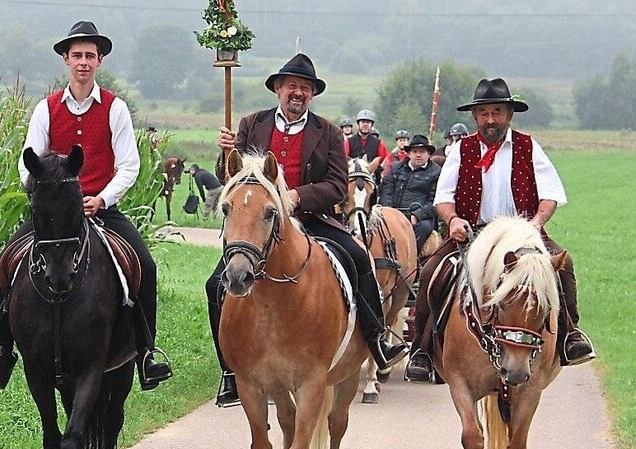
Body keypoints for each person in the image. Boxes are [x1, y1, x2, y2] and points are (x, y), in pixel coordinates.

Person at [0, 20, 172, 391]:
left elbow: (130, 165)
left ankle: (147, 354)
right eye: (77, 55)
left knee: (147, 265)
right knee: (2, 264)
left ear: (99, 62)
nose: (83, 62)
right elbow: (26, 160)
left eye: (90, 56)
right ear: (66, 59)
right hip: (55, 214)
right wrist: (42, 193)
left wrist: (102, 198)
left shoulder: (115, 108)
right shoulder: (46, 108)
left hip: (100, 208)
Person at [209, 53, 408, 405]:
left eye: (304, 88)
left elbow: (336, 184)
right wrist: (223, 153)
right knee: (215, 284)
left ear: (312, 94)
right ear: (278, 90)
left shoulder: (328, 132)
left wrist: (297, 197)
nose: (297, 93)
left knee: (359, 259)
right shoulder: (251, 123)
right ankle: (230, 368)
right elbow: (232, 176)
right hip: (258, 224)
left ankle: (377, 339)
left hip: (312, 219)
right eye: (291, 87)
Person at [404, 78, 595, 382]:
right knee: (431, 272)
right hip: (473, 234)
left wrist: (537, 223)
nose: (490, 119)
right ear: (475, 116)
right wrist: (453, 220)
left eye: (497, 112)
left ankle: (570, 335)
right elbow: (443, 197)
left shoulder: (528, 146)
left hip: (522, 234)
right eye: (484, 113)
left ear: (509, 114)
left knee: (563, 265)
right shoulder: (461, 149)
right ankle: (423, 348)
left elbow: (550, 194)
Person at [379, 134, 441, 253]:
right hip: (394, 213)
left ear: (428, 154)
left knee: (423, 228)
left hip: (420, 217)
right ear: (409, 153)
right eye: (415, 151)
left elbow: (435, 201)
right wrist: (389, 212)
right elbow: (386, 192)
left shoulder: (436, 172)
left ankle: (411, 258)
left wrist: (417, 215)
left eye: (422, 151)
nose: (418, 155)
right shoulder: (395, 168)